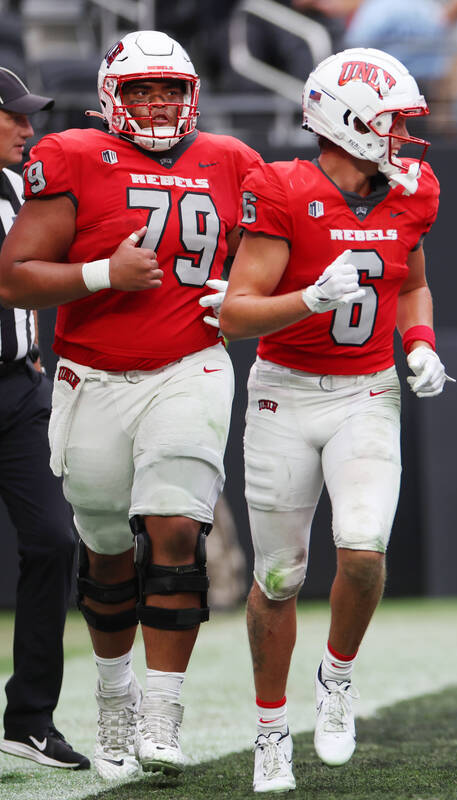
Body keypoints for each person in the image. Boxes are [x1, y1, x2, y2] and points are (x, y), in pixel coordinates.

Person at [0, 31, 262, 778]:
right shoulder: (77, 155)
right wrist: (101, 274)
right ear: (115, 96)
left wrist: (240, 289)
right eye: (143, 89)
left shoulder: (231, 161)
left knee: (176, 527)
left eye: (170, 89)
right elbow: (14, 278)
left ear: (193, 95)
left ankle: (161, 710)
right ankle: (115, 693)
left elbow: (269, 250)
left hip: (191, 365)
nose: (157, 103)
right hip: (94, 374)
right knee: (108, 546)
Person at [218, 47, 449, 793]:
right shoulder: (282, 189)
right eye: (391, 121)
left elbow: (411, 282)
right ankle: (270, 729)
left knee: (363, 551)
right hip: (286, 392)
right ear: (346, 122)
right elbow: (234, 311)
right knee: (279, 576)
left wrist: (419, 345)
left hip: (366, 392)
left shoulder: (411, 191)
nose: (404, 136)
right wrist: (310, 299)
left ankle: (337, 678)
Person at [0, 68, 89, 772]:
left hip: (16, 391)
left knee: (55, 541)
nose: (29, 129)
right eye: (15, 116)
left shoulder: (17, 189)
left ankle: (28, 718)